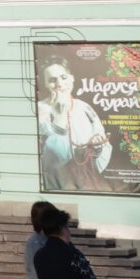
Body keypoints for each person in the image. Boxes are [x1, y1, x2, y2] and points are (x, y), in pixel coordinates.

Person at [37, 57, 111, 191]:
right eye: (52, 80)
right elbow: (52, 156)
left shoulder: (84, 107)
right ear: (46, 84)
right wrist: (59, 116)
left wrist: (97, 148)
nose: (59, 84)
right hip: (56, 184)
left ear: (72, 78)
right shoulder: (40, 109)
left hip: (85, 182)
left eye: (63, 77)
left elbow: (102, 142)